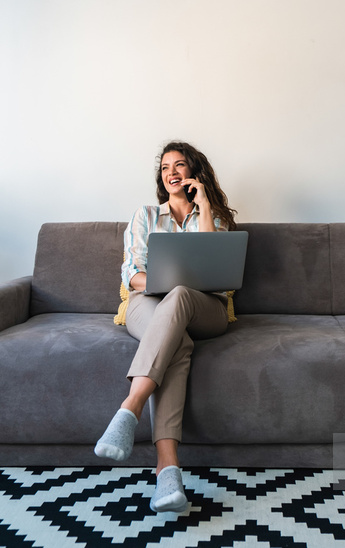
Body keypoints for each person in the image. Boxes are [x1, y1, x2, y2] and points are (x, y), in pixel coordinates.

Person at [95, 140, 237, 513]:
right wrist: (162, 283)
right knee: (179, 343)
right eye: (164, 168)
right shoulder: (144, 215)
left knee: (181, 296)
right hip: (147, 303)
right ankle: (167, 469)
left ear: (194, 172)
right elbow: (133, 275)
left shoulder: (215, 217)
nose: (171, 172)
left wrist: (204, 205)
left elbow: (215, 276)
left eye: (179, 165)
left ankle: (131, 406)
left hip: (204, 307)